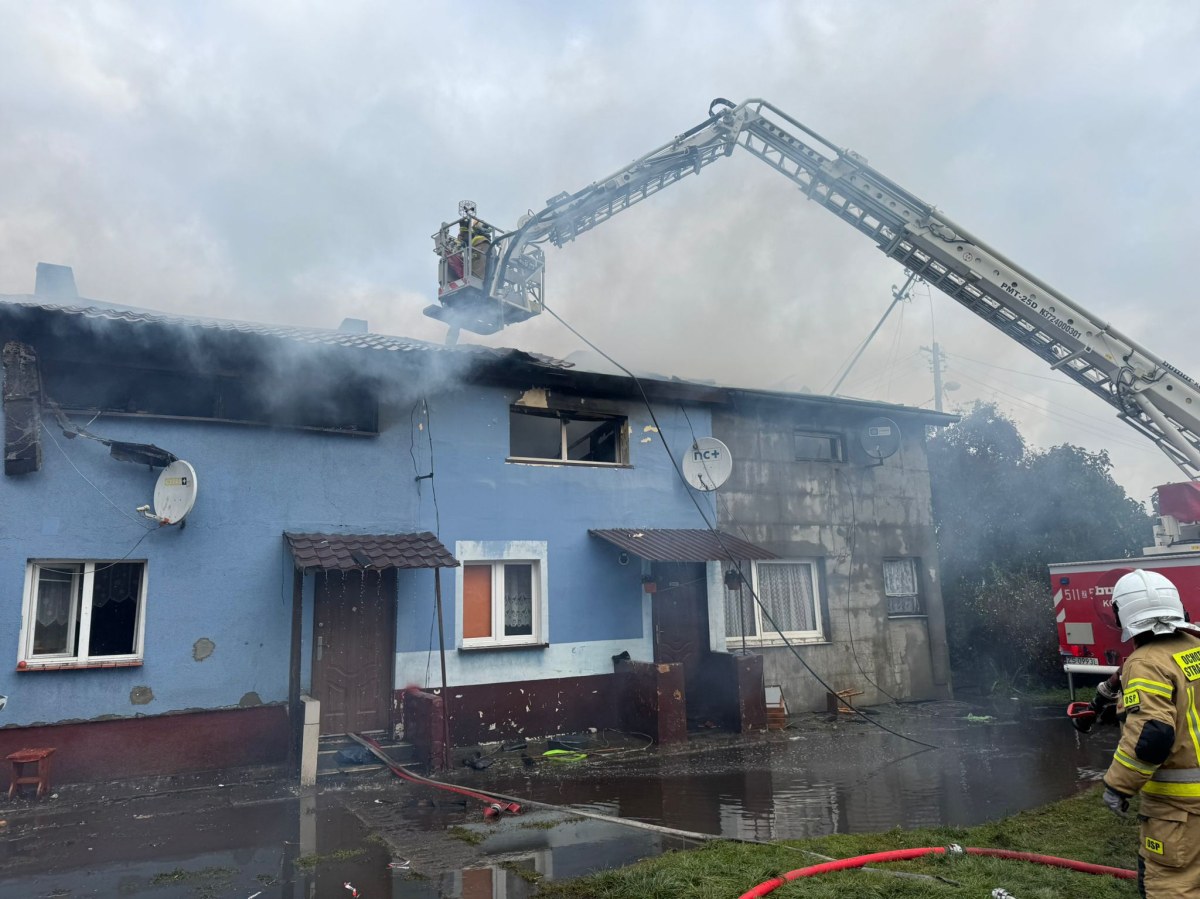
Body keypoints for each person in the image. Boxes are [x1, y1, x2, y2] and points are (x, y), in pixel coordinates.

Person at [1101, 569, 1200, 897]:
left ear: (1122, 614)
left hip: (1179, 810)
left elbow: (1152, 736)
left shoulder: (1146, 662)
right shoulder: (1193, 646)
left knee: (1174, 886)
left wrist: (1117, 786)